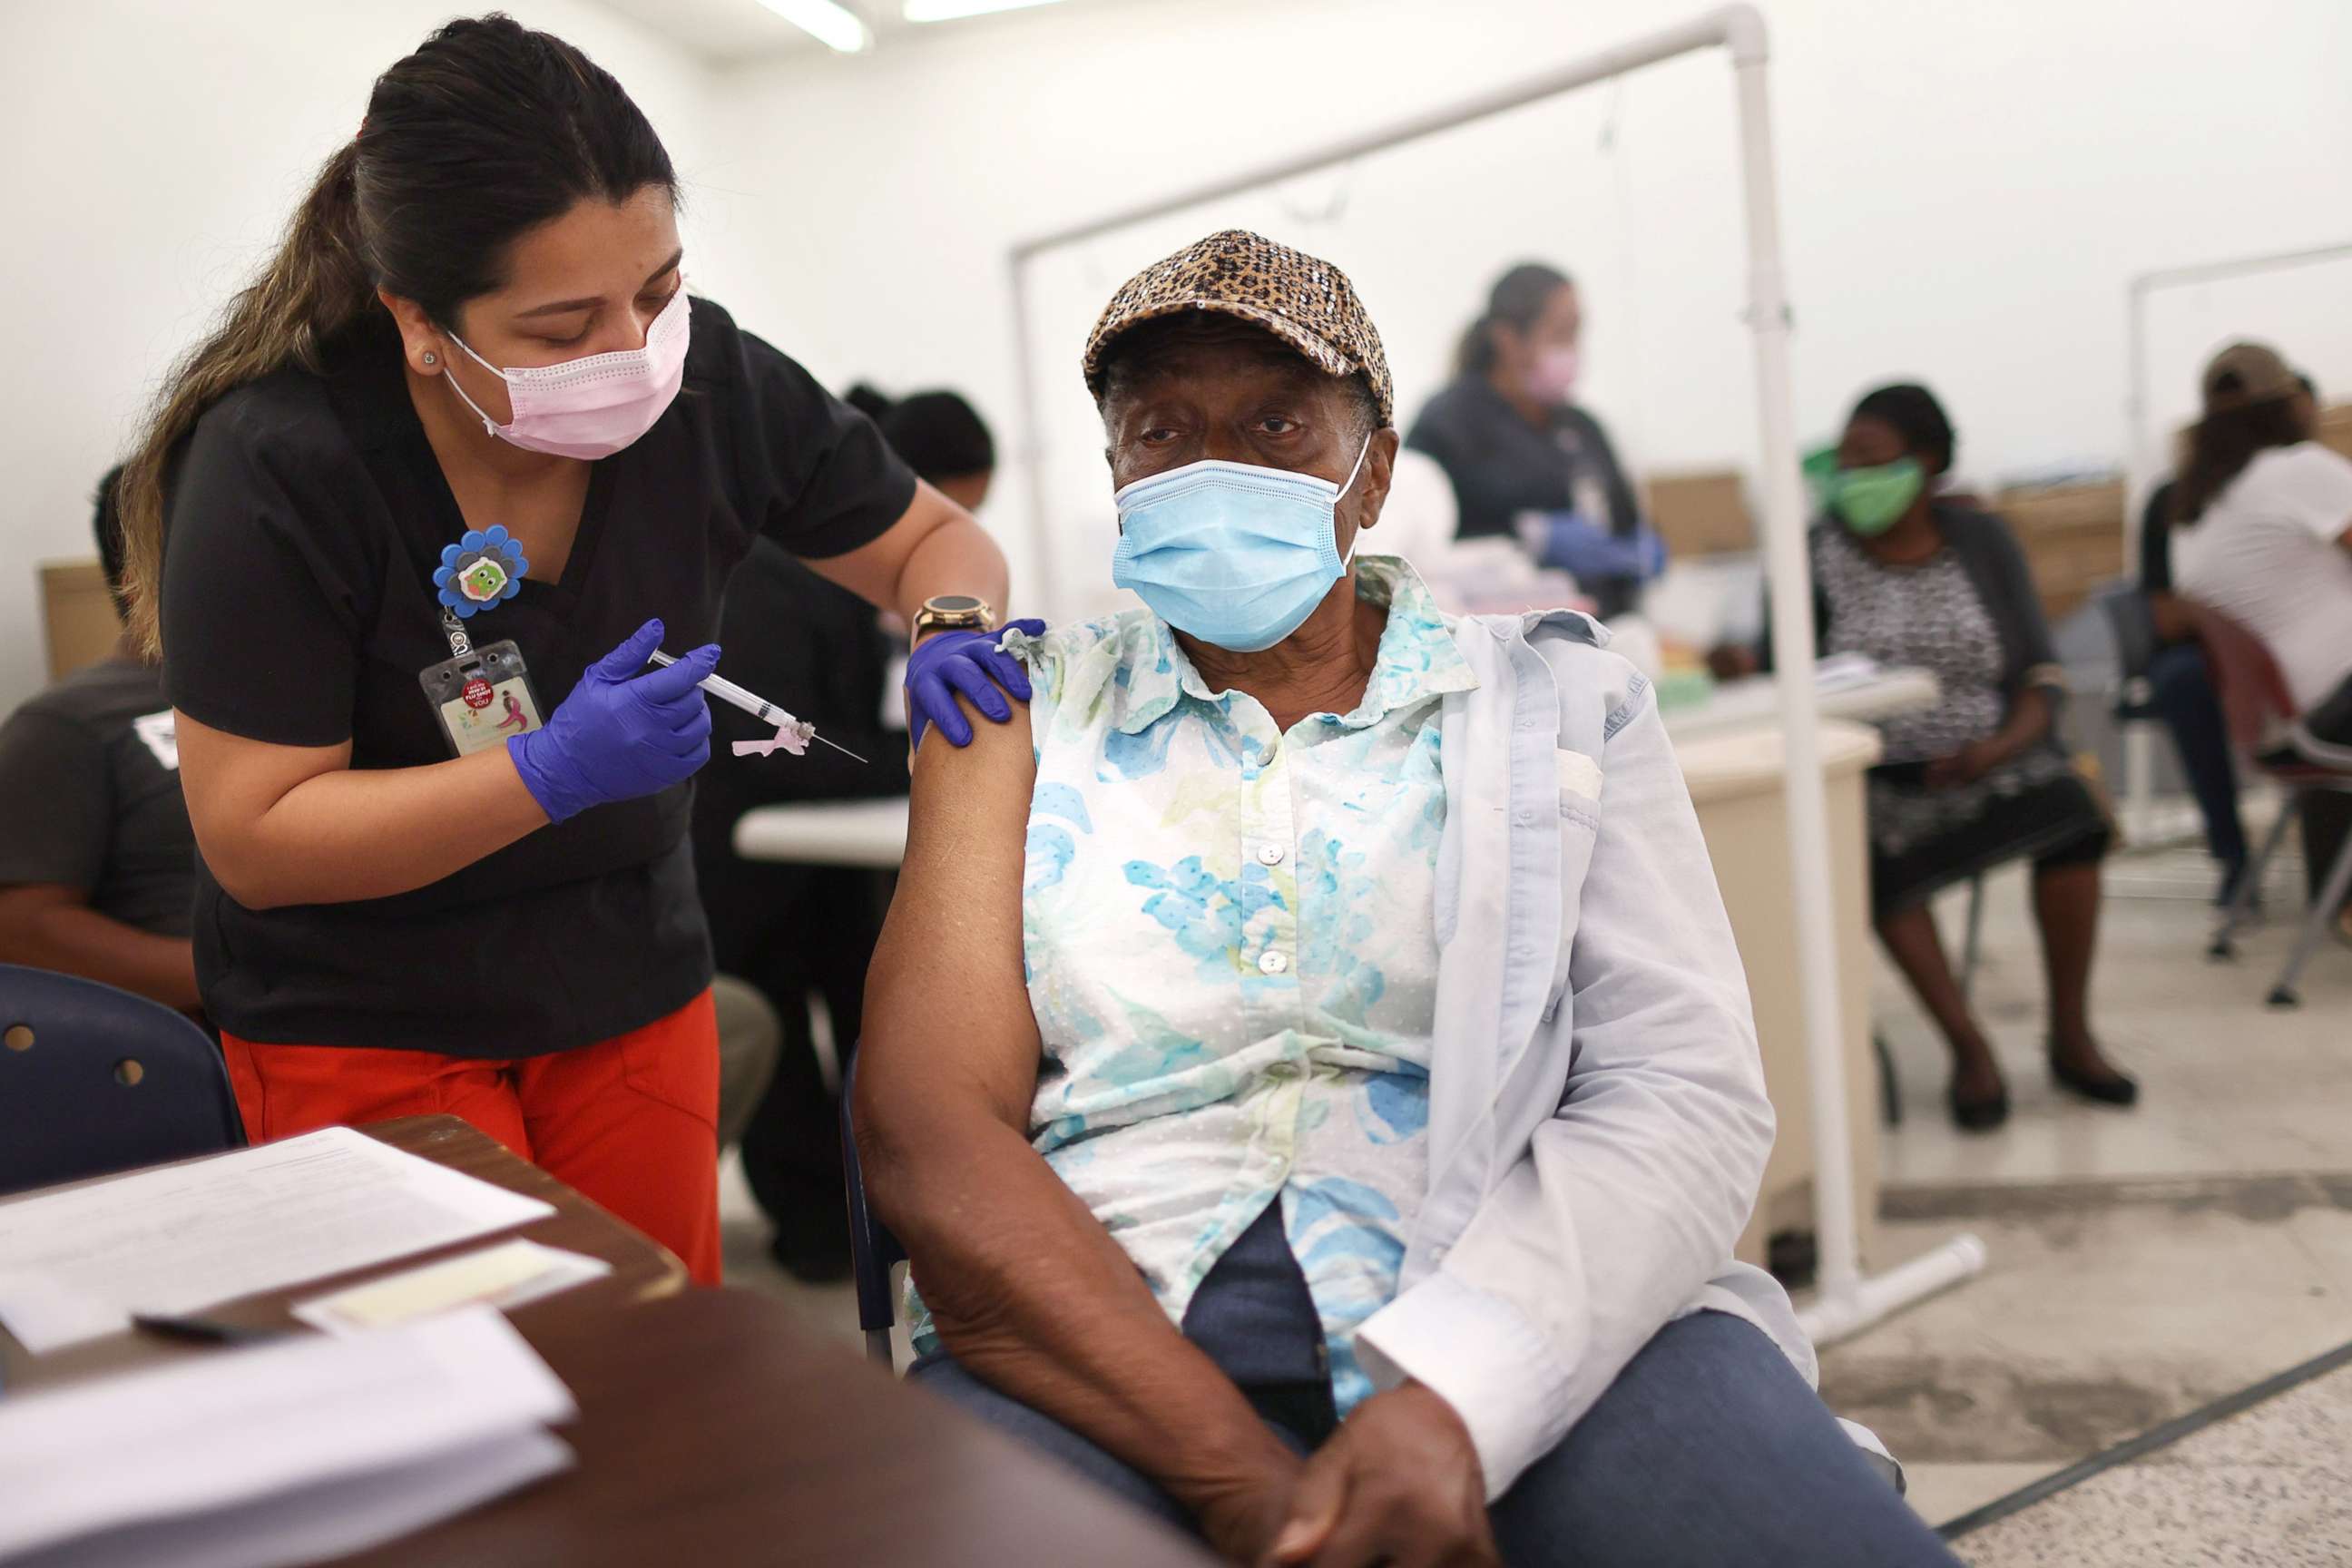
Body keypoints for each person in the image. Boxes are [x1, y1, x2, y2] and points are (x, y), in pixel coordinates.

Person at [856, 230, 1957, 1568]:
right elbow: (929, 1126)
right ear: (1116, 476)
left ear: (1371, 474)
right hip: (1110, 1331)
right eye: (1163, 430)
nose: (1216, 468)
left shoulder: (1554, 702)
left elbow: (1682, 1090)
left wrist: (1453, 1401)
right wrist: (1247, 1484)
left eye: (1275, 422)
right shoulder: (1018, 718)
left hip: (1521, 1301)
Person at [118, 17, 1029, 1287]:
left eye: (656, 293)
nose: (631, 353)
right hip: (365, 1024)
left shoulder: (712, 388)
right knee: (468, 1402)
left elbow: (935, 539)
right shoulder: (283, 465)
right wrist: (543, 773)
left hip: (630, 994)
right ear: (418, 321)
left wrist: (946, 625)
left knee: (657, 1378)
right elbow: (255, 839)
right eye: (560, 328)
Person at [1738, 384, 2136, 1130]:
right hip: (1871, 769)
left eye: (1872, 459)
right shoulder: (1812, 553)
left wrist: (1999, 747)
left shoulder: (1982, 541)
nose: (1853, 475)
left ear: (1925, 463)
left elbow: (2040, 674)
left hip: (1993, 752)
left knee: (2075, 815)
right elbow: (1776, 678)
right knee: (1868, 855)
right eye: (1844, 459)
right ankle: (1968, 1048)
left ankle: (2071, 1035)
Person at [693, 384, 997, 1279]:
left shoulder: (824, 577)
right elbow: (773, 742)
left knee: (873, 1019)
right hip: (745, 853)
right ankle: (822, 1229)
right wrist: (911, 744)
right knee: (780, 1039)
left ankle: (877, 1214)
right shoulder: (770, 574)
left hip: (814, 853)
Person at [0, 471, 200, 1014]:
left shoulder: (290, 697)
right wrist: (238, 980)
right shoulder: (65, 725)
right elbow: (21, 927)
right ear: (142, 572)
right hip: (202, 1052)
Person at [2171, 344, 2352, 924]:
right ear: (2288, 404)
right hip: (2333, 709)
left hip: (2279, 725)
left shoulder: (2197, 505)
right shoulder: (2300, 470)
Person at [1406, 262, 1661, 618]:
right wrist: (1528, 538)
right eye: (1561, 333)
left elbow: (1625, 517)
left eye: (1577, 333)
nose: (1573, 349)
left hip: (1601, 624)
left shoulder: (1584, 428)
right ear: (1507, 338)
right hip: (1496, 635)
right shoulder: (1449, 423)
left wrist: (1638, 549)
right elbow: (1420, 538)